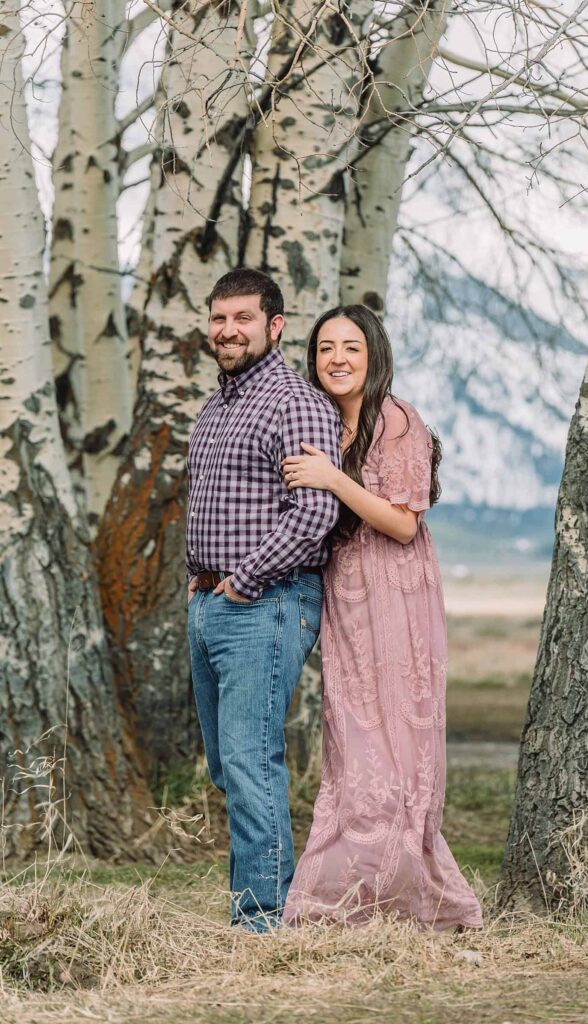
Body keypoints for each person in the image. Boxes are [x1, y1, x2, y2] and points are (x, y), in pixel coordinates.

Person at [281, 305, 483, 930]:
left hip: (394, 593)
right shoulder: (322, 424)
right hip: (345, 592)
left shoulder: (397, 421)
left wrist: (330, 480)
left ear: (373, 355)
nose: (336, 359)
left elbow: (401, 522)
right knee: (351, 740)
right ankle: (357, 898)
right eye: (324, 349)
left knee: (392, 744)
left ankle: (404, 896)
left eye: (350, 347)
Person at [186, 268, 341, 932]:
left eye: (242, 318)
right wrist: (201, 581)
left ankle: (263, 920)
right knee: (229, 765)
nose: (228, 330)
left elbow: (314, 516)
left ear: (274, 326)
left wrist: (245, 579)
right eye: (219, 318)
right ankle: (265, 897)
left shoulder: (294, 401)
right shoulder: (216, 404)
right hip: (210, 604)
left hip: (267, 602)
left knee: (250, 762)